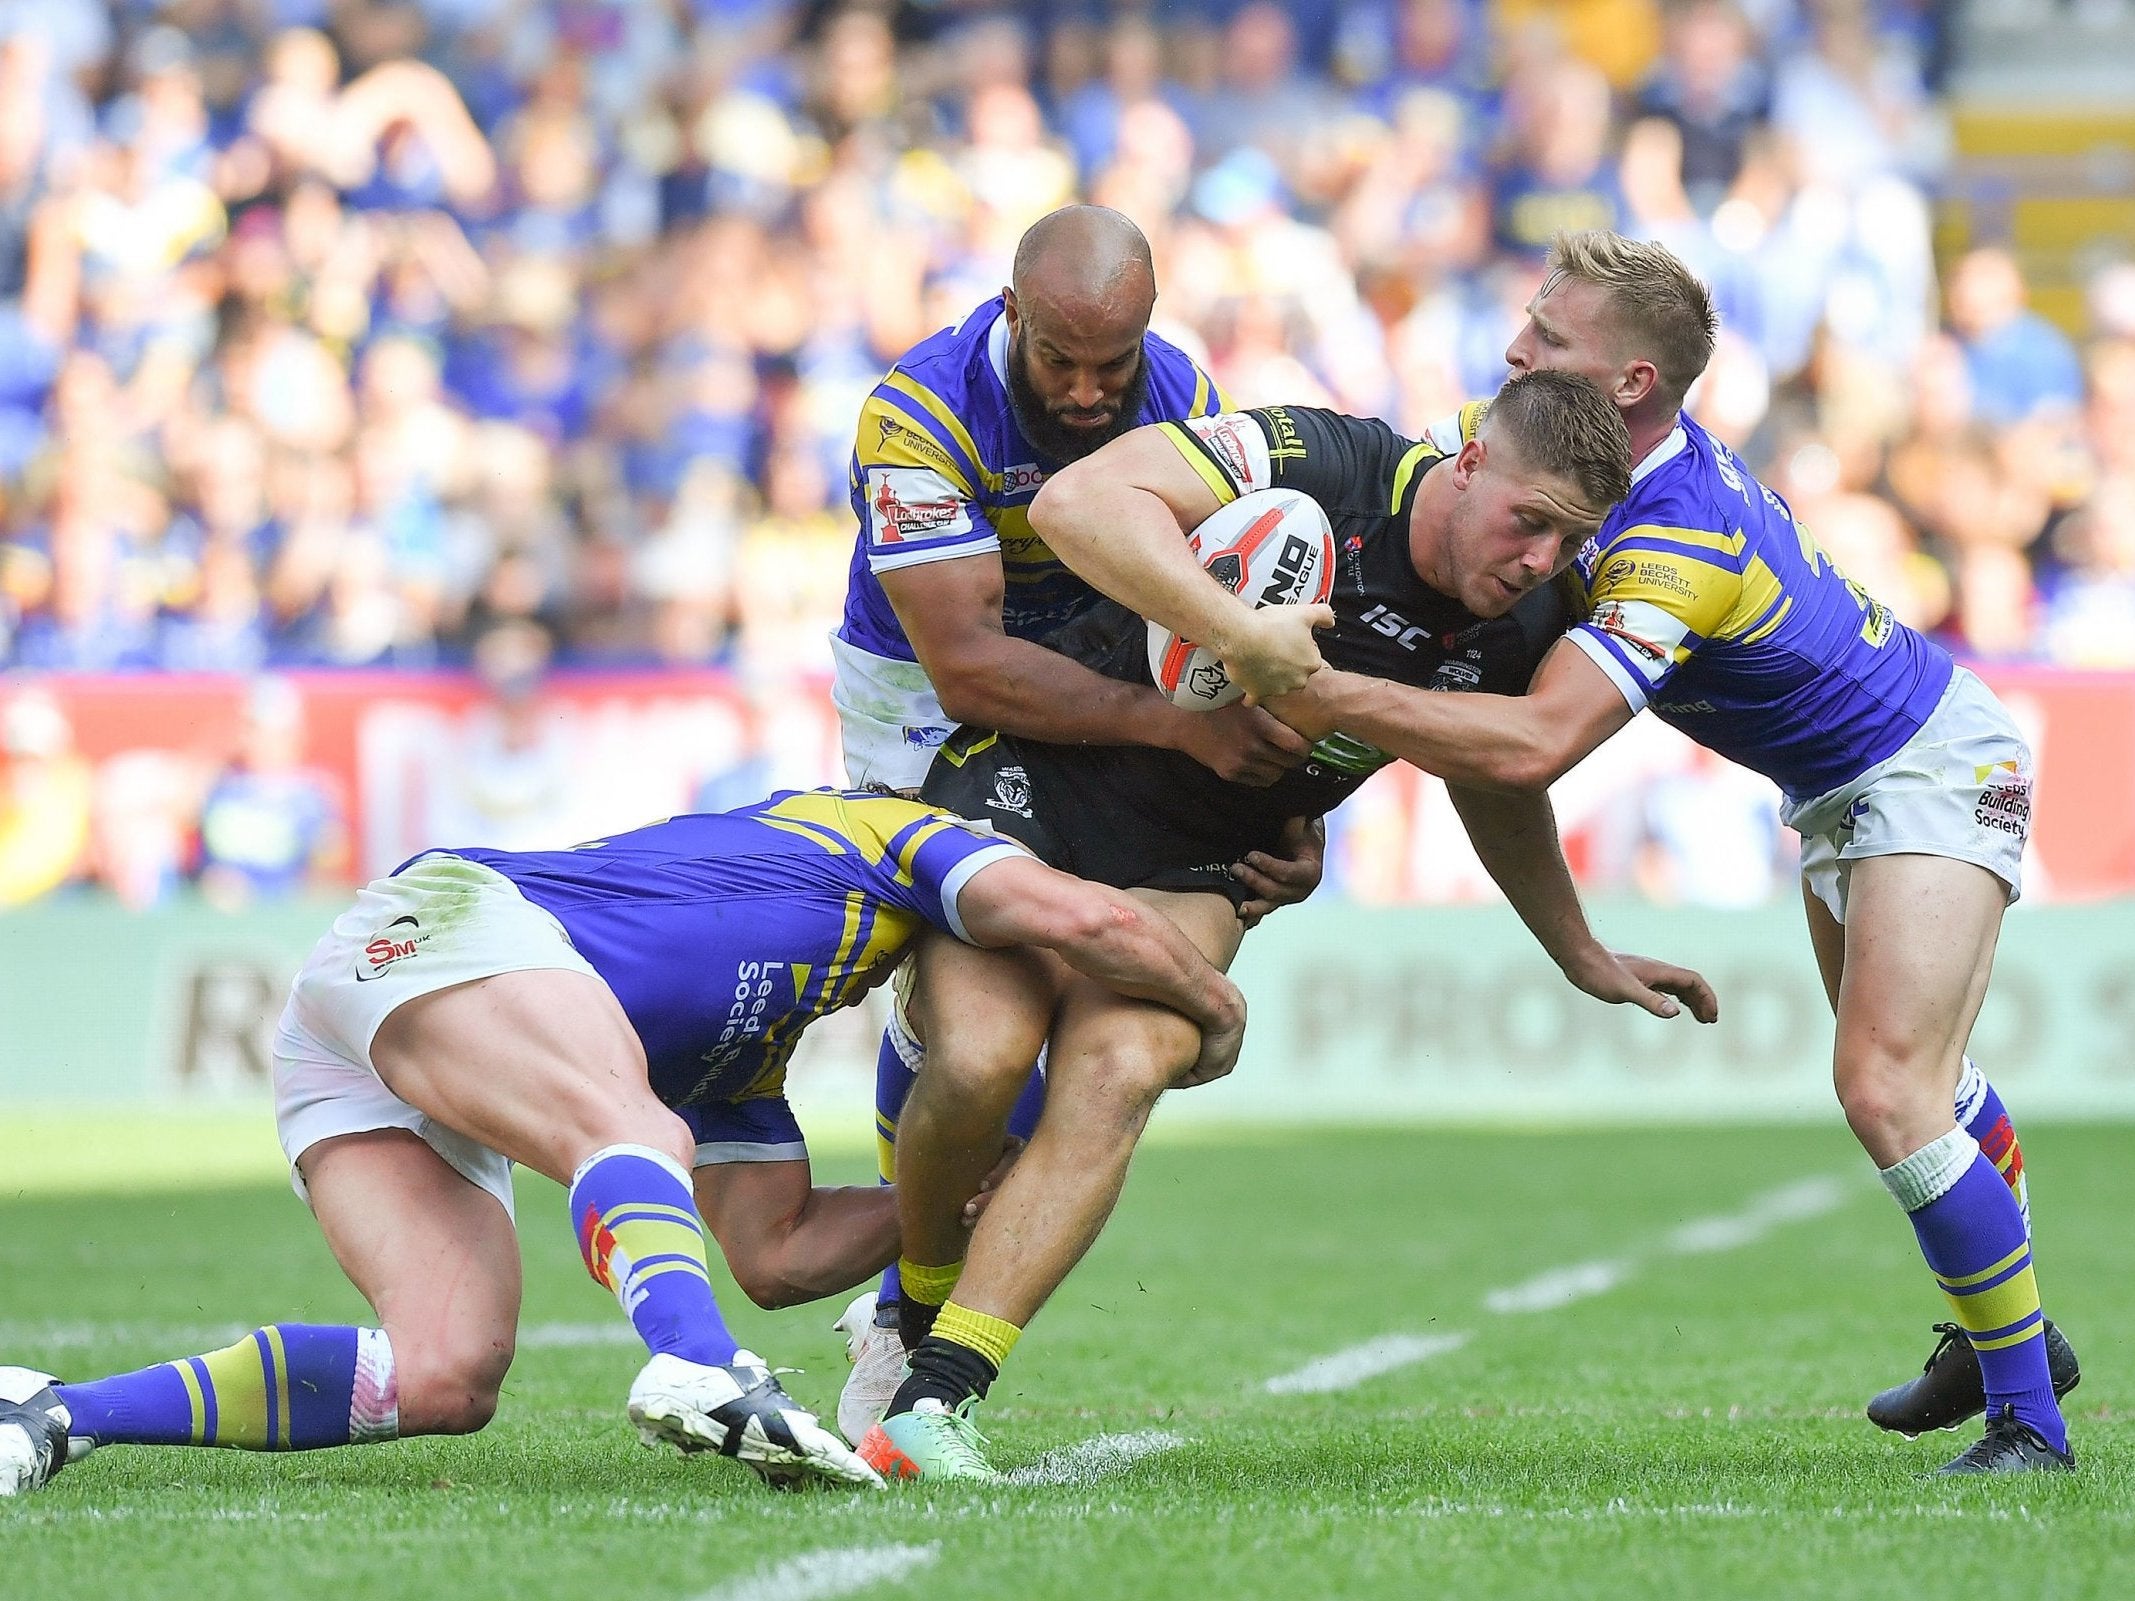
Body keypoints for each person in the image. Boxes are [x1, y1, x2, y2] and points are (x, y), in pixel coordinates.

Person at [1264, 230, 2079, 1474]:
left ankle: (2029, 1416)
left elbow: (1531, 741)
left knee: (1884, 1087)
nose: (1512, 346)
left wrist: (1314, 689)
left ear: (1629, 382)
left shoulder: (1672, 536)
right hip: (1842, 784)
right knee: (1928, 1082)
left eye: (1547, 337)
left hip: (1926, 761)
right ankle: (2004, 1338)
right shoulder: (1569, 474)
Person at [850, 368, 1717, 1481]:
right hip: (1033, 780)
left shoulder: (1530, 623)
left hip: (1203, 860)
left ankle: (933, 1400)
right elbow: (1077, 506)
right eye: (1528, 522)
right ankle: (910, 1312)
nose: (1538, 560)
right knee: (980, 1056)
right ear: (1467, 463)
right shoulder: (1326, 461)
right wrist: (1236, 635)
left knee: (1124, 1060)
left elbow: (1494, 776)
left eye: (1567, 540)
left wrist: (1579, 951)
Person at [0, 789, 1245, 1498]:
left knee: (445, 1371)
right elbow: (1072, 911)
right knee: (626, 1124)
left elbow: (779, 1246)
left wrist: (982, 1196)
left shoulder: (749, 1054)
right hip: (449, 925)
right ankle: (699, 1369)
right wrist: (1213, 1003)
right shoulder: (896, 836)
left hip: (370, 1023)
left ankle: (53, 1414)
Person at [828, 204, 1323, 1440]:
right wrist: (1175, 733)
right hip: (930, 713)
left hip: (1112, 700)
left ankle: (906, 1309)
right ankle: (903, 1305)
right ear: (1010, 312)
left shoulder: (1186, 390)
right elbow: (970, 669)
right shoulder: (916, 419)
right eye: (1064, 360)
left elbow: (1223, 615)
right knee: (983, 1038)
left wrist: (1282, 789)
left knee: (1060, 1026)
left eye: (1118, 361)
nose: (1095, 391)